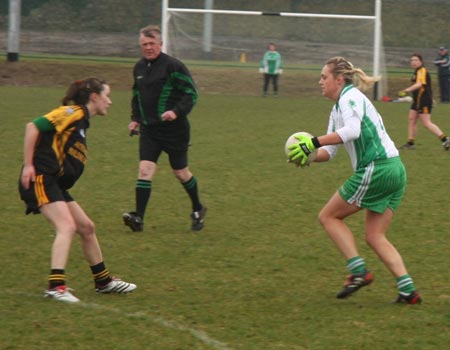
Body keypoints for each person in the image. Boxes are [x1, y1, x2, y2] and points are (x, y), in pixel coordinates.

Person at [287, 56, 421, 304]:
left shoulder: (350, 97)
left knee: (328, 216)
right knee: (374, 235)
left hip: (377, 168)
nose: (320, 82)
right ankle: (408, 291)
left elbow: (351, 132)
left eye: (324, 77)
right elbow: (330, 152)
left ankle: (359, 271)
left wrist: (313, 142)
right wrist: (308, 155)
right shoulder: (338, 107)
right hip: (394, 169)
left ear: (339, 80)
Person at [18, 78, 137, 303]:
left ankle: (103, 282)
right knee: (67, 226)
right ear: (94, 97)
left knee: (87, 227)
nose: (109, 102)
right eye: (106, 96)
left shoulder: (81, 120)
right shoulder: (72, 112)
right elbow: (32, 126)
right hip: (42, 177)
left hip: (56, 183)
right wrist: (28, 165)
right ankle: (56, 286)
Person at [122, 25, 206, 232]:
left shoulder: (173, 66)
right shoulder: (139, 68)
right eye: (144, 44)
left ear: (160, 44)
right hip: (150, 131)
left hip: (175, 130)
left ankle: (198, 208)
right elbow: (137, 96)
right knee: (145, 171)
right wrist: (135, 119)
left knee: (180, 172)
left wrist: (176, 112)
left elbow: (191, 93)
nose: (148, 48)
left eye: (152, 44)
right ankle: (138, 218)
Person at [398, 54, 449, 150]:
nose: (413, 62)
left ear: (421, 62)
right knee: (412, 119)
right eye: (412, 60)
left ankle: (445, 139)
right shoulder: (416, 72)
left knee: (426, 123)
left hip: (424, 101)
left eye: (416, 60)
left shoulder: (422, 70)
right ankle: (410, 143)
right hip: (417, 101)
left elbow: (419, 84)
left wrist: (406, 90)